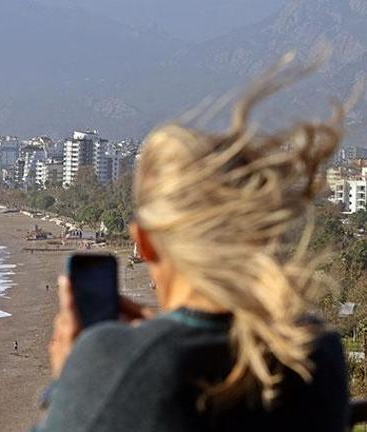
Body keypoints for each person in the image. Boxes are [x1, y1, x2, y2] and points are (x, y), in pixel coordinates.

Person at [36, 58, 351, 431]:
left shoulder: (112, 362)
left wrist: (69, 379)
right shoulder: (314, 350)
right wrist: (170, 332)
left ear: (145, 243)